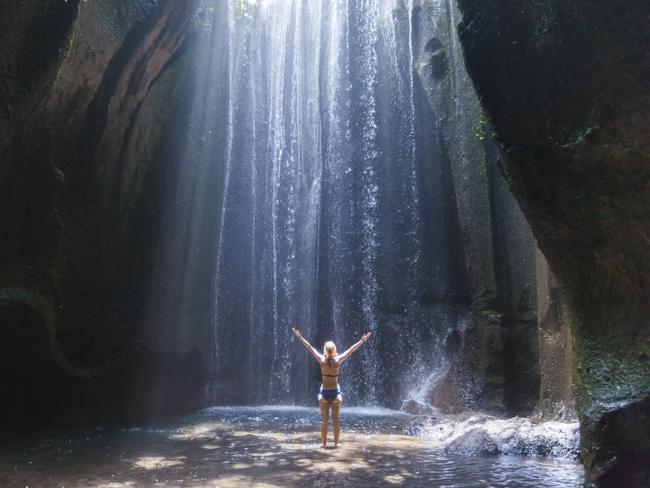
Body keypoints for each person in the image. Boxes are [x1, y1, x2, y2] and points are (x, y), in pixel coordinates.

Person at [291, 327, 372, 448]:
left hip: (324, 394)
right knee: (336, 422)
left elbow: (309, 347)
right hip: (335, 394)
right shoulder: (338, 361)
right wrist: (362, 340)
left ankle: (323, 445)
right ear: (334, 350)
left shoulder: (321, 360)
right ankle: (336, 444)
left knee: (324, 422)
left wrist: (299, 336)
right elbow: (351, 350)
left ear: (325, 350)